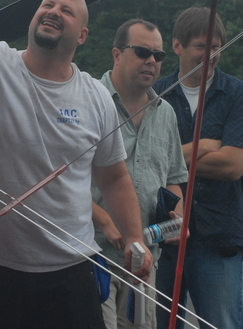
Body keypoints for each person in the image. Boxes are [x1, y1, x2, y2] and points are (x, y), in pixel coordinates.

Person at [0, 0, 153, 329]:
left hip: (70, 272)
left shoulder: (95, 96)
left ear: (82, 35)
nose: (53, 11)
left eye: (66, 10)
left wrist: (134, 236)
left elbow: (113, 178)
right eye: (47, 5)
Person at [153, 7, 243, 329]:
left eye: (216, 47)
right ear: (177, 46)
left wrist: (170, 158)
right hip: (163, 233)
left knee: (220, 323)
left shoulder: (239, 95)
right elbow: (142, 161)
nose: (210, 54)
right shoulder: (155, 95)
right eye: (201, 46)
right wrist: (202, 146)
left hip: (219, 235)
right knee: (155, 323)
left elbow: (233, 165)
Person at [92, 19, 188, 329]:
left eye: (158, 55)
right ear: (117, 54)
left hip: (144, 261)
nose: (151, 61)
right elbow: (63, 179)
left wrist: (177, 217)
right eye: (142, 52)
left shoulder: (166, 113)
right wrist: (104, 221)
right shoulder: (89, 99)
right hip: (93, 254)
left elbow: (172, 178)